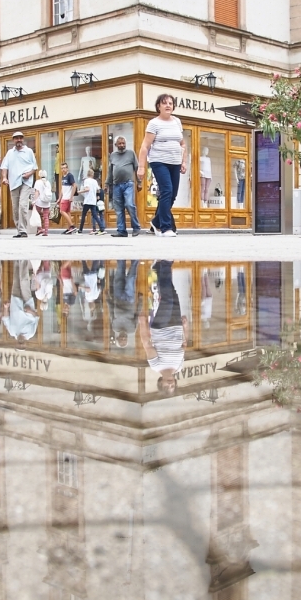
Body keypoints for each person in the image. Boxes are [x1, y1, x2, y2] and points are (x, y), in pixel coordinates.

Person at [137, 93, 186, 237]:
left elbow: (182, 143)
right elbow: (145, 146)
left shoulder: (177, 121)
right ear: (159, 106)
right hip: (159, 161)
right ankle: (165, 228)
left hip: (175, 162)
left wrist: (184, 161)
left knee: (173, 195)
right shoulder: (154, 123)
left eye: (170, 103)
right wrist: (141, 167)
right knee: (167, 191)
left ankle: (155, 221)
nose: (168, 105)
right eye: (165, 103)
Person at [138, 261, 188, 395]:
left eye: (167, 386)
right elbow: (184, 345)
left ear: (160, 382)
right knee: (173, 295)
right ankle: (158, 269)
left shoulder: (156, 366)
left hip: (161, 326)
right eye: (173, 387)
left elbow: (147, 345)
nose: (170, 384)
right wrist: (185, 328)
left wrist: (142, 323)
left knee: (166, 299)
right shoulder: (179, 367)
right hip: (176, 325)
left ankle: (165, 264)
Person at [0, 131, 38, 238]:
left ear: (23, 139)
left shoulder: (29, 151)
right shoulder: (10, 153)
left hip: (26, 182)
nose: (19, 140)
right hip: (14, 182)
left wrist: (28, 174)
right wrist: (4, 178)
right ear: (13, 140)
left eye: (21, 138)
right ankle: (19, 230)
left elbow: (35, 168)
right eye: (16, 138)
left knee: (22, 205)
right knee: (15, 208)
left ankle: (23, 230)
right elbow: (4, 167)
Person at [106, 135, 141, 237]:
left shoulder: (131, 153)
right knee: (119, 209)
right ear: (116, 144)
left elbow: (137, 167)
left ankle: (136, 227)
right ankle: (121, 231)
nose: (122, 145)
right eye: (120, 143)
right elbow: (110, 171)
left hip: (128, 184)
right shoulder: (112, 155)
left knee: (130, 205)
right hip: (116, 185)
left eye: (123, 143)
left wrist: (139, 182)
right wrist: (106, 184)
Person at [2, 260, 40, 341]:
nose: (21, 342)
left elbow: (6, 319)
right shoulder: (31, 333)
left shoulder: (12, 332)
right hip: (27, 303)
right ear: (25, 344)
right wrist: (30, 311)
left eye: (19, 344)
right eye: (23, 345)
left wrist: (6, 308)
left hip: (15, 302)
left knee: (16, 280)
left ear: (16, 343)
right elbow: (37, 317)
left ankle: (16, 260)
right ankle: (23, 259)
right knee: (23, 281)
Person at [78, 167, 105, 234]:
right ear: (92, 174)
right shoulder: (95, 181)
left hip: (87, 200)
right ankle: (101, 228)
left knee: (84, 215)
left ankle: (80, 229)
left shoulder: (86, 180)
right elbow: (98, 190)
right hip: (93, 200)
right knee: (95, 215)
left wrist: (80, 191)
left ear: (87, 174)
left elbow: (87, 189)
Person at [32, 169, 53, 237]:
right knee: (46, 217)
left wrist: (34, 200)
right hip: (47, 202)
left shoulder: (38, 182)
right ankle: (46, 231)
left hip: (39, 201)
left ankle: (40, 228)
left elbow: (37, 192)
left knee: (37, 214)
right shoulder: (48, 182)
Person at [58, 162, 78, 234]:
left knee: (62, 211)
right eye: (62, 168)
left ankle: (72, 226)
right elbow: (62, 188)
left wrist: (71, 197)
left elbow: (74, 185)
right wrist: (59, 198)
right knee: (67, 212)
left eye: (64, 168)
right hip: (64, 197)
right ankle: (69, 228)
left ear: (67, 168)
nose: (63, 170)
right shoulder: (63, 176)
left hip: (67, 197)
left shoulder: (70, 176)